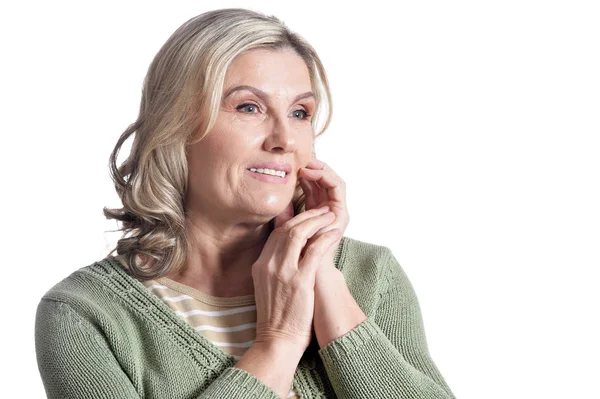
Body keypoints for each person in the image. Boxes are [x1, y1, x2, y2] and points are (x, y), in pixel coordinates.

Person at [34, 8, 455, 399]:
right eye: (249, 107)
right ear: (175, 125)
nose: (284, 140)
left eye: (300, 113)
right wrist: (278, 342)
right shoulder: (85, 314)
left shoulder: (370, 276)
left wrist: (321, 275)